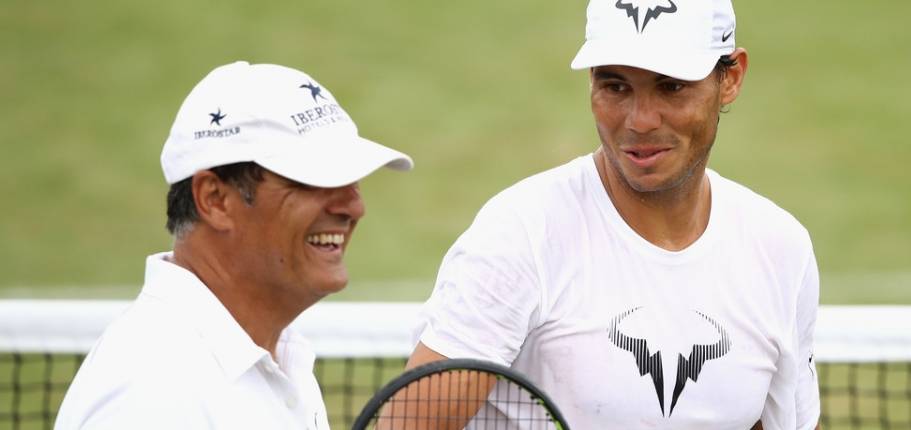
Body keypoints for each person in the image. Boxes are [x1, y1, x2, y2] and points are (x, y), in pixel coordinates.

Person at [406, 1, 820, 429]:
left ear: (730, 77)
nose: (640, 121)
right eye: (616, 87)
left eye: (671, 87)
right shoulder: (519, 237)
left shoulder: (781, 249)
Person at [54, 61, 413, 430]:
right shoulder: (153, 396)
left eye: (352, 180)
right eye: (314, 180)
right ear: (215, 199)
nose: (353, 206)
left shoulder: (277, 359)